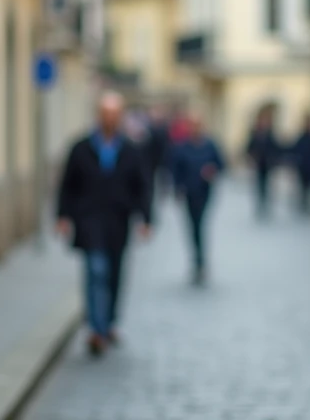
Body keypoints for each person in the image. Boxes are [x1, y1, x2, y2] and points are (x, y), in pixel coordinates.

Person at [56, 91, 154, 358]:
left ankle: (109, 321)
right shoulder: (81, 147)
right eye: (105, 114)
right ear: (99, 116)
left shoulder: (131, 150)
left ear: (120, 117)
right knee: (95, 270)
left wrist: (146, 218)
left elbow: (143, 186)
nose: (110, 119)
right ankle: (96, 330)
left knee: (114, 274)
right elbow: (67, 185)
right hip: (88, 220)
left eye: (114, 114)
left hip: (118, 222)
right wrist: (63, 216)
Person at [168, 114, 225, 285]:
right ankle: (198, 260)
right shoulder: (182, 147)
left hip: (205, 192)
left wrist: (213, 171)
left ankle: (200, 261)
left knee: (199, 224)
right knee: (193, 227)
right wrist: (177, 189)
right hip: (188, 193)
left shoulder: (210, 145)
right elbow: (174, 170)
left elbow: (221, 164)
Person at [246, 105, 281, 219]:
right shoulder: (255, 133)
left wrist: (274, 160)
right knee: (259, 186)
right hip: (258, 164)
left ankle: (266, 206)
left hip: (268, 164)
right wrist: (251, 158)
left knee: (267, 186)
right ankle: (260, 206)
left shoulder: (270, 134)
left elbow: (275, 148)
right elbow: (249, 147)